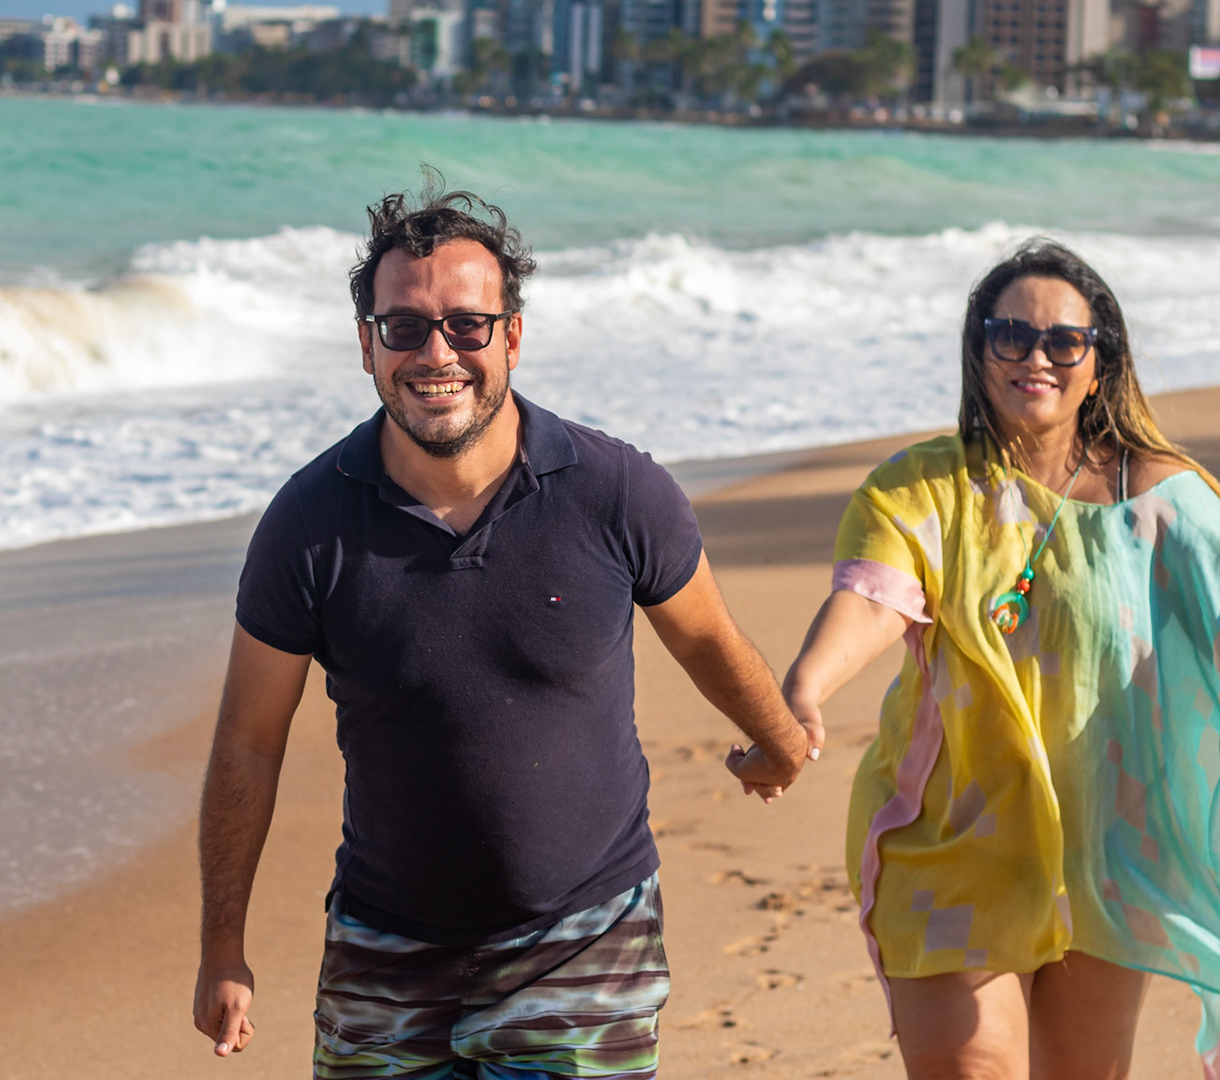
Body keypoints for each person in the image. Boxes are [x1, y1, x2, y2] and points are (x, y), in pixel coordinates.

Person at [190, 179, 816, 1080]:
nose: (436, 352)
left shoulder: (615, 491)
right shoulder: (309, 523)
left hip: (585, 940)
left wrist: (781, 743)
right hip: (382, 946)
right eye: (404, 327)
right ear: (366, 345)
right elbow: (249, 741)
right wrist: (223, 946)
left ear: (512, 337)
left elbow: (708, 641)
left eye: (467, 325)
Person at [758, 238, 1220, 1080]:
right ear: (979, 351)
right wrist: (805, 687)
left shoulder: (1163, 500)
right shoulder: (920, 487)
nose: (1037, 358)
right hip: (951, 838)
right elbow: (873, 597)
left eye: (1064, 341)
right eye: (1012, 335)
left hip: (1104, 852)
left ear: (1098, 363)